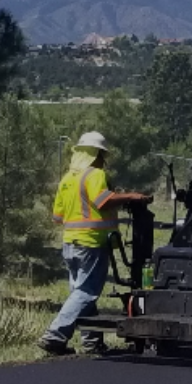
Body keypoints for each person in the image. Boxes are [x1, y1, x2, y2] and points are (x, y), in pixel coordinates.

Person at [38, 131, 152, 355]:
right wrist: (132, 197)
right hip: (91, 242)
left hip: (70, 243)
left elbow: (57, 216)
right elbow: (103, 201)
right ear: (97, 154)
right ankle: (55, 334)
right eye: (102, 155)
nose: (103, 159)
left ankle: (91, 341)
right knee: (86, 292)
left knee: (80, 294)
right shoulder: (95, 174)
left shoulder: (68, 179)